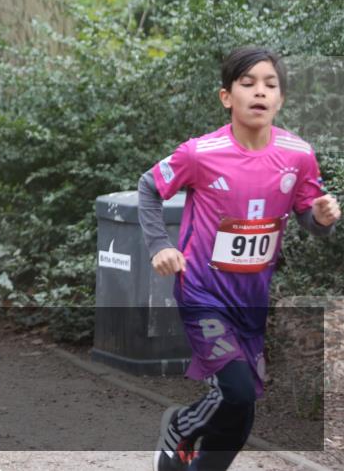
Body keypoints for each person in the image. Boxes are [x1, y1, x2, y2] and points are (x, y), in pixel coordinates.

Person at [139, 46, 340, 471]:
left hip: (251, 302)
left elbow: (309, 213)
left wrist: (321, 218)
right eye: (247, 84)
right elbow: (149, 187)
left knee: (241, 412)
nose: (259, 92)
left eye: (270, 84)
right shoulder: (200, 153)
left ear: (281, 99)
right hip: (202, 293)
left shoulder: (298, 154)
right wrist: (160, 245)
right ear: (226, 97)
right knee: (237, 391)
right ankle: (179, 426)